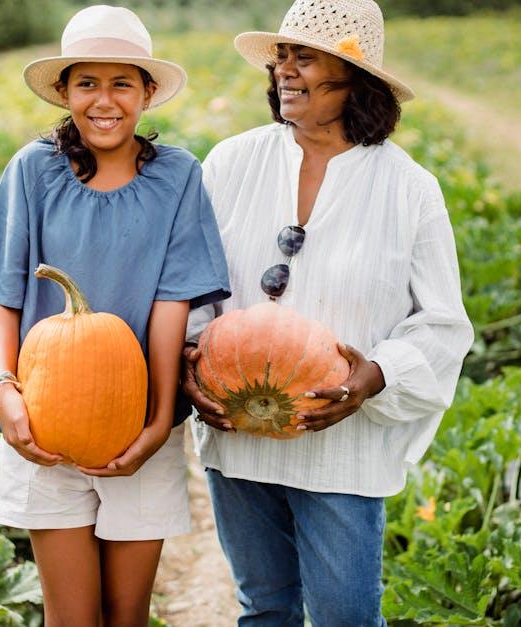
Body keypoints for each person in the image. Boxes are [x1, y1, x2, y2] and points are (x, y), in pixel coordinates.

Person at [180, 0, 474, 624]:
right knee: (264, 609)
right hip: (239, 433)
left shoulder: (408, 188)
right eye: (281, 57)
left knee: (345, 618)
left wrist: (374, 376)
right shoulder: (231, 163)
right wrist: (192, 360)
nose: (284, 70)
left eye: (304, 58)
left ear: (355, 78)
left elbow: (443, 323)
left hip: (342, 441)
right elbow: (193, 287)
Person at [0, 6, 230, 626]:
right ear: (64, 91)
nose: (104, 101)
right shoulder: (32, 171)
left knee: (126, 615)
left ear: (148, 91)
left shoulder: (179, 177)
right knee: (72, 618)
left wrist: (160, 420)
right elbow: (4, 295)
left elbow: (172, 307)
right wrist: (4, 390)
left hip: (137, 426)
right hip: (41, 424)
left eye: (121, 83)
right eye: (87, 83)